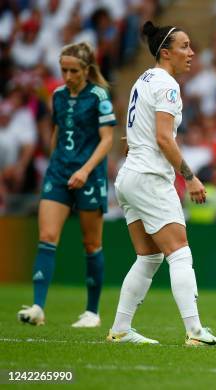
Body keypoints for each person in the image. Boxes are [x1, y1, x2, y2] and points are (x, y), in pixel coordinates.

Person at [107, 21, 216, 346]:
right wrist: (190, 177)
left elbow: (141, 130)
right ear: (166, 52)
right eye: (185, 46)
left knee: (148, 257)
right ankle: (196, 332)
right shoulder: (168, 86)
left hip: (128, 176)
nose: (191, 52)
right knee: (179, 253)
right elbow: (163, 137)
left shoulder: (143, 79)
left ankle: (120, 329)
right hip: (149, 178)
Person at [17, 42, 115, 327]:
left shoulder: (99, 96)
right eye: (64, 70)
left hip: (90, 176)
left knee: (91, 243)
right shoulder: (57, 95)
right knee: (47, 236)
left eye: (74, 70)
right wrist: (54, 160)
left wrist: (85, 169)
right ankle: (37, 307)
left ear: (86, 70)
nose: (68, 75)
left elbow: (107, 139)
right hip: (59, 173)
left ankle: (92, 312)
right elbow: (58, 131)